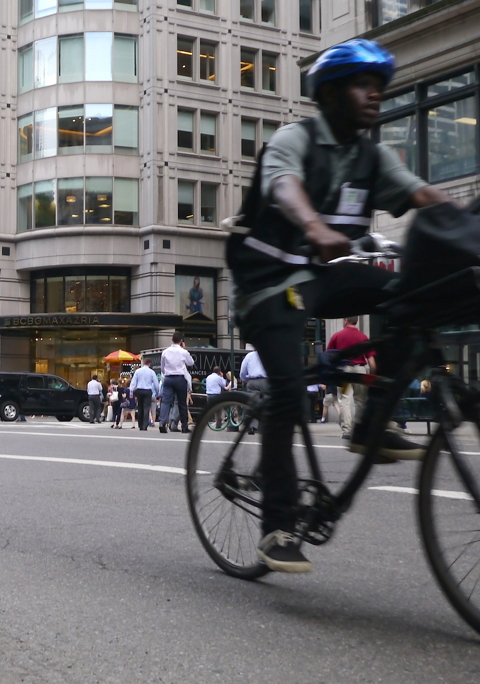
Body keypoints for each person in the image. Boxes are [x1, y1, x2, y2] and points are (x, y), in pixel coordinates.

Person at [225, 39, 450, 573]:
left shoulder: (370, 156)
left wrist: (461, 219)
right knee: (285, 391)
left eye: (379, 87)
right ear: (329, 94)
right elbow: (282, 185)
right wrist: (312, 224)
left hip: (321, 277)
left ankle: (374, 421)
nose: (375, 96)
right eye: (361, 85)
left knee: (405, 294)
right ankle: (277, 526)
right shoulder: (293, 139)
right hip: (266, 282)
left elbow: (418, 192)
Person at [327, 317, 375, 440]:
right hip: (360, 371)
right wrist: (372, 375)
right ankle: (359, 430)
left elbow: (329, 356)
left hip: (344, 371)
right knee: (361, 401)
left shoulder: (337, 336)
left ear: (346, 320)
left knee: (345, 400)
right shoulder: (363, 337)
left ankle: (346, 431)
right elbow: (371, 360)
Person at [158, 332, 194, 434]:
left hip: (168, 378)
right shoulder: (183, 352)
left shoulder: (165, 352)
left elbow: (162, 368)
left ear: (171, 339)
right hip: (180, 378)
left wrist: (167, 374)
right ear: (181, 341)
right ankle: (184, 426)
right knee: (182, 403)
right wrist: (184, 349)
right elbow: (191, 362)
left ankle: (162, 423)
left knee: (166, 402)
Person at [129, 358, 159, 430]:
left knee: (140, 407)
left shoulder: (138, 371)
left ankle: (140, 425)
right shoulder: (151, 372)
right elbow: (156, 383)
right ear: (149, 364)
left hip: (139, 390)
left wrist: (131, 391)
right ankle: (145, 425)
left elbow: (133, 382)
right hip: (148, 391)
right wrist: (157, 393)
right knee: (146, 408)